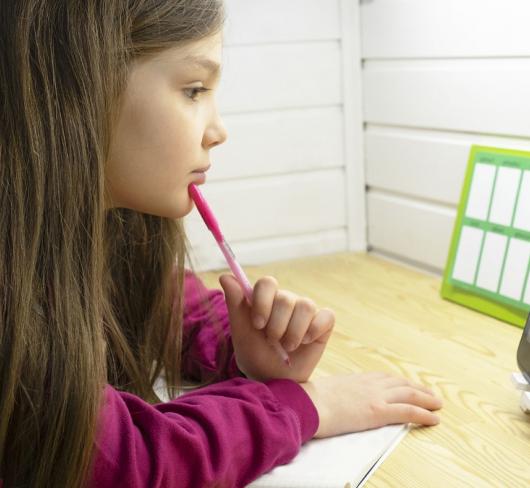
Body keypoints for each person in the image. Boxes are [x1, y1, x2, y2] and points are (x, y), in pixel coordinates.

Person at [0, 1, 443, 487]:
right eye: (193, 90)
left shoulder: (102, 228)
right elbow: (135, 463)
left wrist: (239, 347)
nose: (218, 131)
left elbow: (163, 303)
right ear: (76, 88)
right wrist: (306, 406)